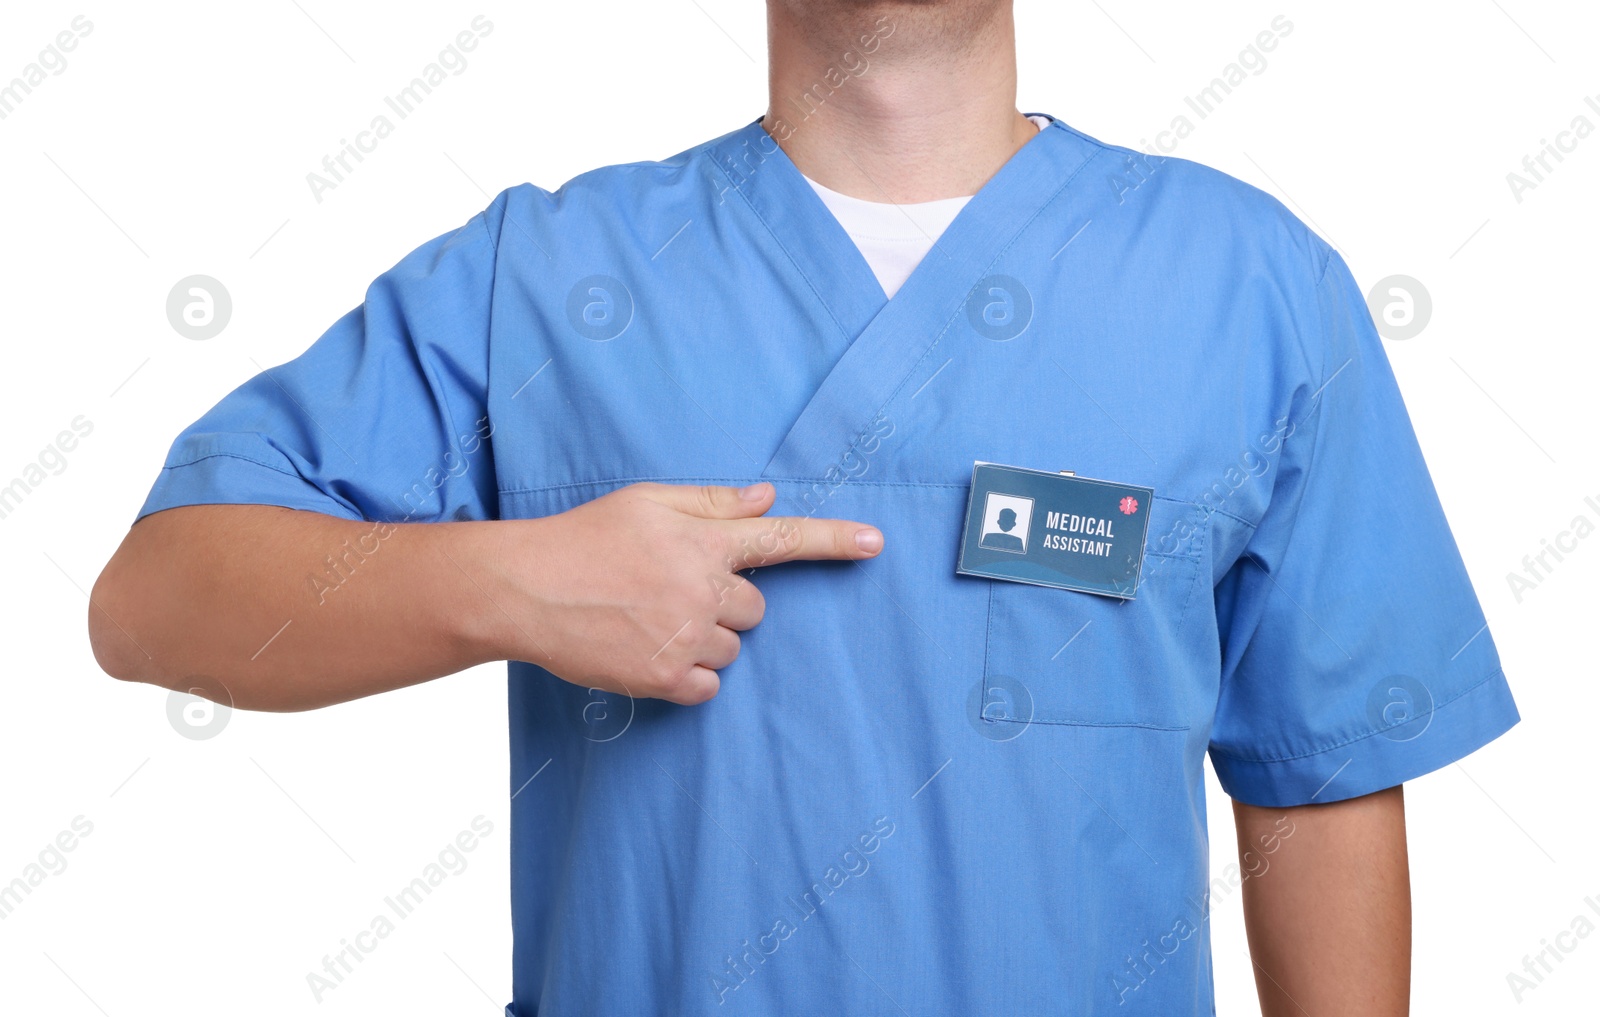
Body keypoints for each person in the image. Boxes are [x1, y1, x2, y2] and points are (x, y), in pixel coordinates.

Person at [88, 2, 1518, 1014]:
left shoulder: (1251, 288)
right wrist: (507, 583)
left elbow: (1319, 778)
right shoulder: (542, 277)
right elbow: (153, 596)